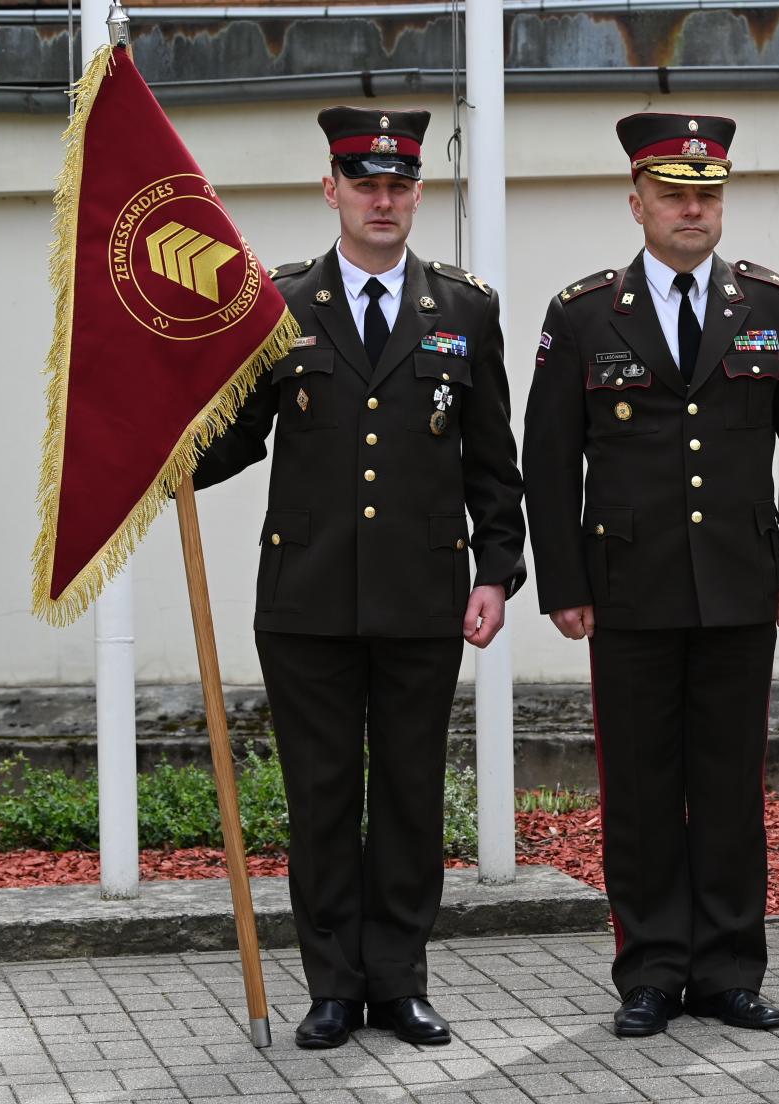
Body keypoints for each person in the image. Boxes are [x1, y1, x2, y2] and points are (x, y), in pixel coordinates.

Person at [191, 106, 526, 1049]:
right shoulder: (278, 305)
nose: (383, 200)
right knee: (324, 796)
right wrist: (163, 453)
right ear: (330, 189)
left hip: (424, 596)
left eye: (399, 185)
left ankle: (400, 981)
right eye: (364, 183)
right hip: (306, 600)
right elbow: (238, 436)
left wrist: (498, 569)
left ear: (419, 193)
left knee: (413, 796)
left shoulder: (465, 308)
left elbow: (491, 458)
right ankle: (333, 985)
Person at [523, 112, 779, 1037]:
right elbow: (548, 460)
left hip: (740, 583)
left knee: (732, 786)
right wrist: (565, 584)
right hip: (629, 589)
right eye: (673, 194)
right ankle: (651, 971)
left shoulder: (771, 306)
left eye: (707, 195)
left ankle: (731, 969)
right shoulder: (582, 313)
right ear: (637, 203)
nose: (692, 210)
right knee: (644, 789)